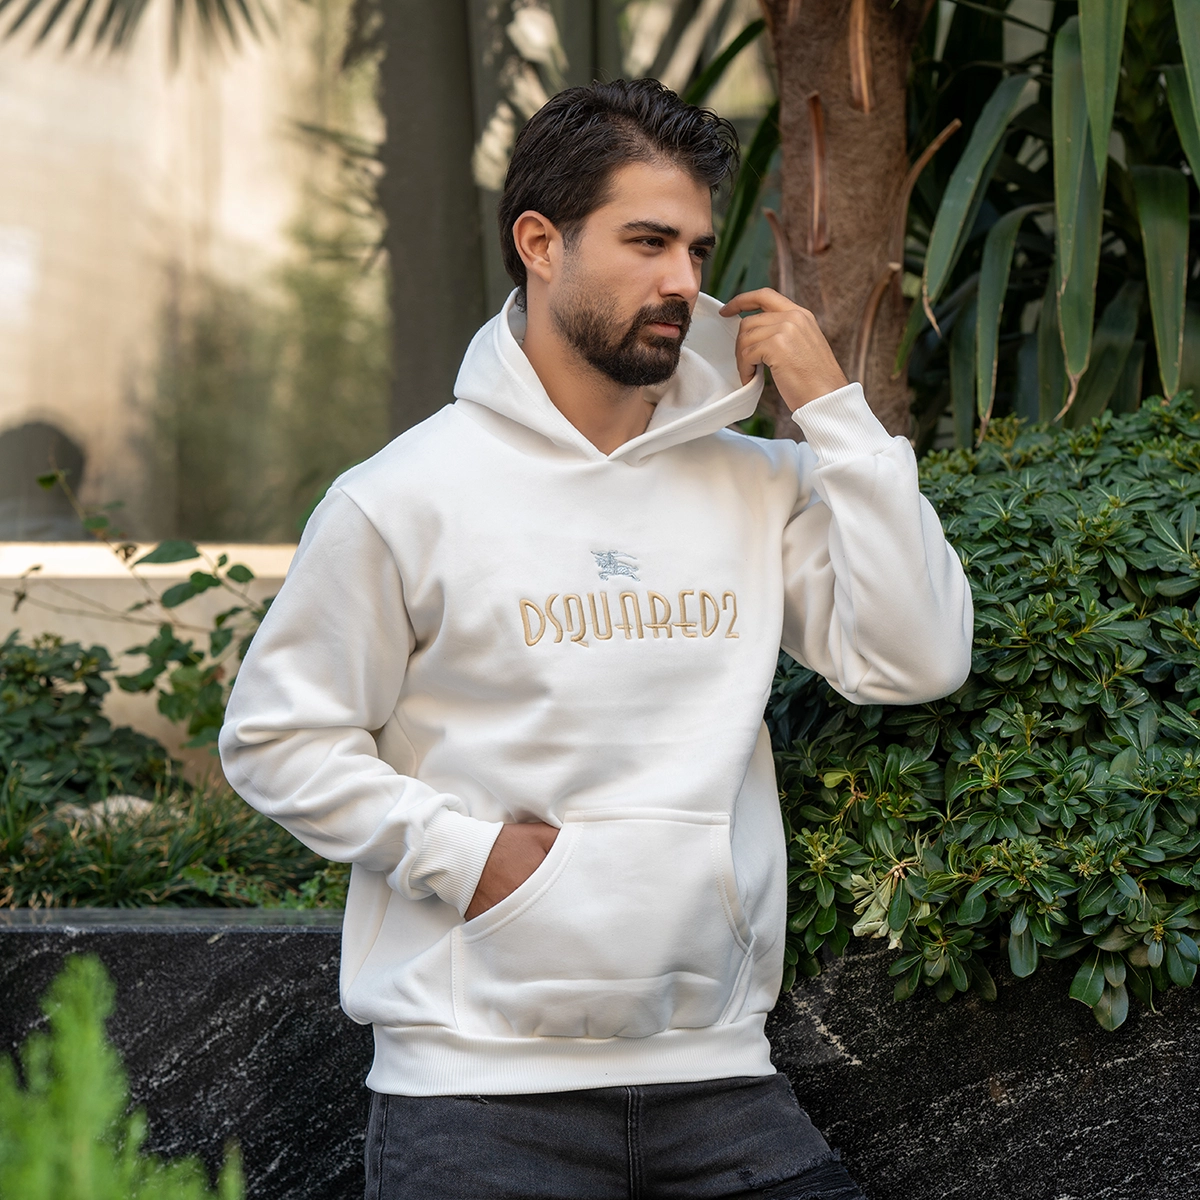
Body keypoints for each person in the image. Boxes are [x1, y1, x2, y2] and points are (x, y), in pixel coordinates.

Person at [219, 78, 973, 1200]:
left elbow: (916, 659)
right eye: (647, 241)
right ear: (541, 243)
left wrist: (838, 417)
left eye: (696, 249)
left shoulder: (761, 484)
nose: (684, 281)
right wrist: (468, 859)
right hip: (473, 1101)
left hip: (719, 1079)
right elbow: (276, 739)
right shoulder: (404, 496)